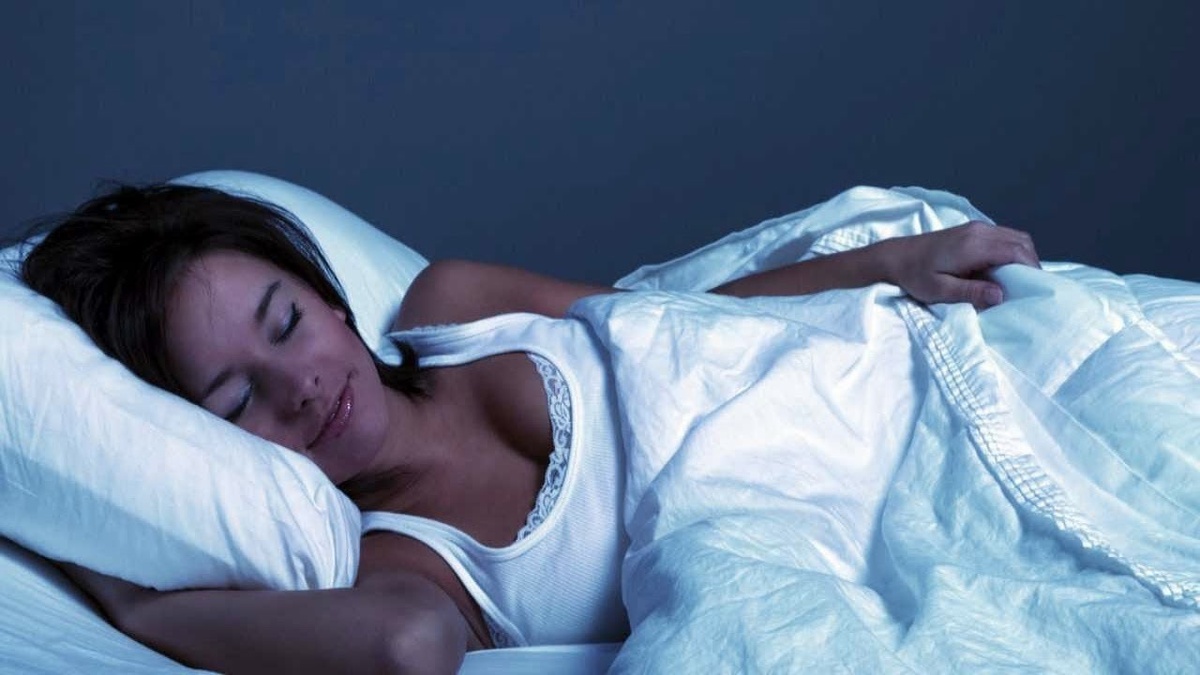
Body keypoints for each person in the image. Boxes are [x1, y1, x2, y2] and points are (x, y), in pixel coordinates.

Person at [21, 183, 1039, 674]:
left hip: (877, 398)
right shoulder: (403, 563)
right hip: (832, 545)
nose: (301, 386)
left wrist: (888, 266)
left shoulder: (455, 304)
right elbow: (407, 650)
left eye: (286, 323)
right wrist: (141, 609)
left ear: (327, 299)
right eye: (238, 401)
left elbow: (686, 321)